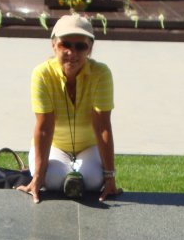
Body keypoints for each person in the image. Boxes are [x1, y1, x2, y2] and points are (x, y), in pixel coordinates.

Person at [17, 13, 121, 204]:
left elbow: (102, 127)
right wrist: (38, 176)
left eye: (80, 46)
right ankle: (67, 180)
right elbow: (44, 127)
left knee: (93, 180)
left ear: (90, 49)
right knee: (51, 179)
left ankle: (74, 180)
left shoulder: (101, 73)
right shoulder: (42, 74)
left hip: (89, 146)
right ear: (53, 45)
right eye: (65, 44)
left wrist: (109, 176)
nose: (72, 53)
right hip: (55, 145)